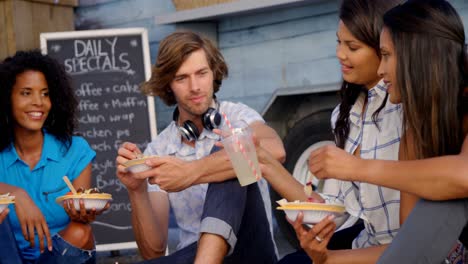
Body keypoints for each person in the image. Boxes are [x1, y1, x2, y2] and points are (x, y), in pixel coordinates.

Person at [309, 0, 468, 263]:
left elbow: (464, 176)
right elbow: (409, 244)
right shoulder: (417, 128)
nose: (381, 71)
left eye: (386, 55)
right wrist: (325, 259)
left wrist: (357, 168)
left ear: (415, 55)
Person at [115, 31, 285, 263]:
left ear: (214, 73)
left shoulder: (237, 116)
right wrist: (137, 191)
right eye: (181, 78)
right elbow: (153, 251)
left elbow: (276, 151)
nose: (194, 87)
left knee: (233, 149)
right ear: (168, 85)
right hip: (191, 255)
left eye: (201, 73)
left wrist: (190, 172)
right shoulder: (158, 149)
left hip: (250, 252)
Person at [255, 0, 403, 263]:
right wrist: (266, 165)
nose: (340, 54)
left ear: (384, 49)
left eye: (352, 47)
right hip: (366, 242)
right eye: (339, 42)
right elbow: (336, 209)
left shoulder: (404, 108)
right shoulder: (346, 114)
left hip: (403, 250)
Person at [0, 50, 108, 263]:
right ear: (6, 98)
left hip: (61, 257)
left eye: (45, 93)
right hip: (8, 257)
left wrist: (83, 212)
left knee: (80, 232)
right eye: (26, 93)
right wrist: (16, 194)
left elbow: (80, 220)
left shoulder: (75, 151)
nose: (38, 102)